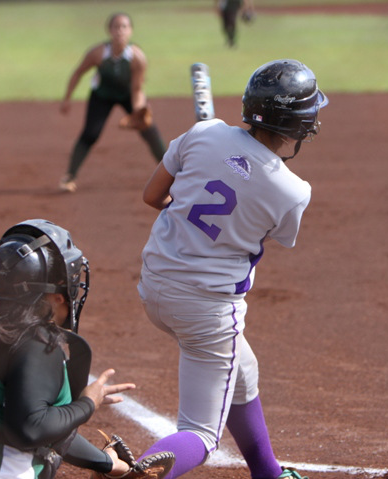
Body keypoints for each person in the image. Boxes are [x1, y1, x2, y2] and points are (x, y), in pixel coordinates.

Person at [135, 59, 328, 479]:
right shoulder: (293, 192)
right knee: (201, 434)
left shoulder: (205, 133)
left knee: (243, 369)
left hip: (154, 285)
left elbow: (153, 196)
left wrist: (192, 194)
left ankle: (269, 473)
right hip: (206, 310)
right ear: (298, 125)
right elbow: (262, 231)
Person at [0, 219, 174, 479]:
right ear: (55, 296)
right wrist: (87, 404)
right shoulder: (38, 343)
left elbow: (32, 426)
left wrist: (108, 464)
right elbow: (30, 428)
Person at [59, 12, 166, 193]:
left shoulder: (137, 57)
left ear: (130, 31)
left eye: (124, 27)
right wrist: (67, 99)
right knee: (91, 133)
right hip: (102, 96)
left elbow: (137, 88)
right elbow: (78, 73)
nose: (120, 31)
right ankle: (69, 176)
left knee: (150, 131)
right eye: (116, 27)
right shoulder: (98, 53)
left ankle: (173, 174)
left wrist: (139, 110)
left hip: (127, 95)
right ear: (109, 30)